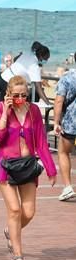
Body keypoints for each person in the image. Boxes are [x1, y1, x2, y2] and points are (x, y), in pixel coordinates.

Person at [0, 75, 56, 260]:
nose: (21, 99)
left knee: (29, 212)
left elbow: (42, 142)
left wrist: (51, 169)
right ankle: (18, 255)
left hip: (28, 167)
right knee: (15, 210)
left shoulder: (34, 111)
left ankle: (10, 231)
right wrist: (5, 113)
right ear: (8, 94)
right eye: (17, 95)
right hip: (6, 167)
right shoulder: (1, 109)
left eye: (24, 95)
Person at [53, 66, 76, 201]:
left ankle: (68, 187)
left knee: (63, 152)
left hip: (71, 124)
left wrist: (56, 122)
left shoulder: (67, 78)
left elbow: (59, 100)